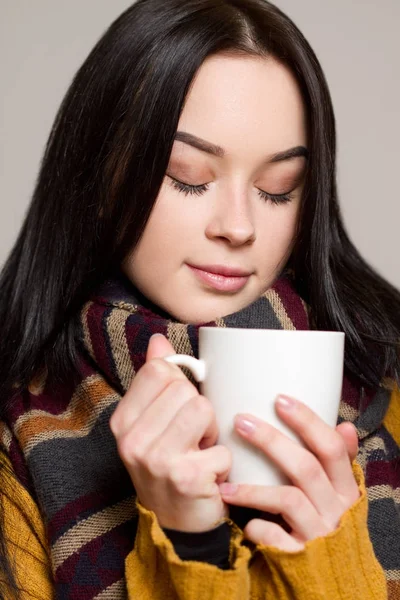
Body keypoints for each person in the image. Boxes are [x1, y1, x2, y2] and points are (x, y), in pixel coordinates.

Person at [0, 0, 399, 598]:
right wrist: (188, 543)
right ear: (100, 174)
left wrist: (333, 566)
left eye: (276, 189)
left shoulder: (386, 387)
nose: (237, 227)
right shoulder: (19, 444)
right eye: (188, 176)